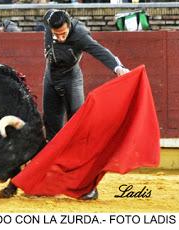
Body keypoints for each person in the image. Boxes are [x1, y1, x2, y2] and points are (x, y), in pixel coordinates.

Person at [42, 10, 129, 199]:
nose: (61, 37)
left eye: (64, 33)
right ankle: (49, 179)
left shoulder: (79, 34)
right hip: (50, 79)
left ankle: (86, 185)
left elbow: (100, 51)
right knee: (51, 129)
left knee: (79, 131)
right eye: (56, 34)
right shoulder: (49, 20)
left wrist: (117, 67)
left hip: (71, 81)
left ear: (69, 26)